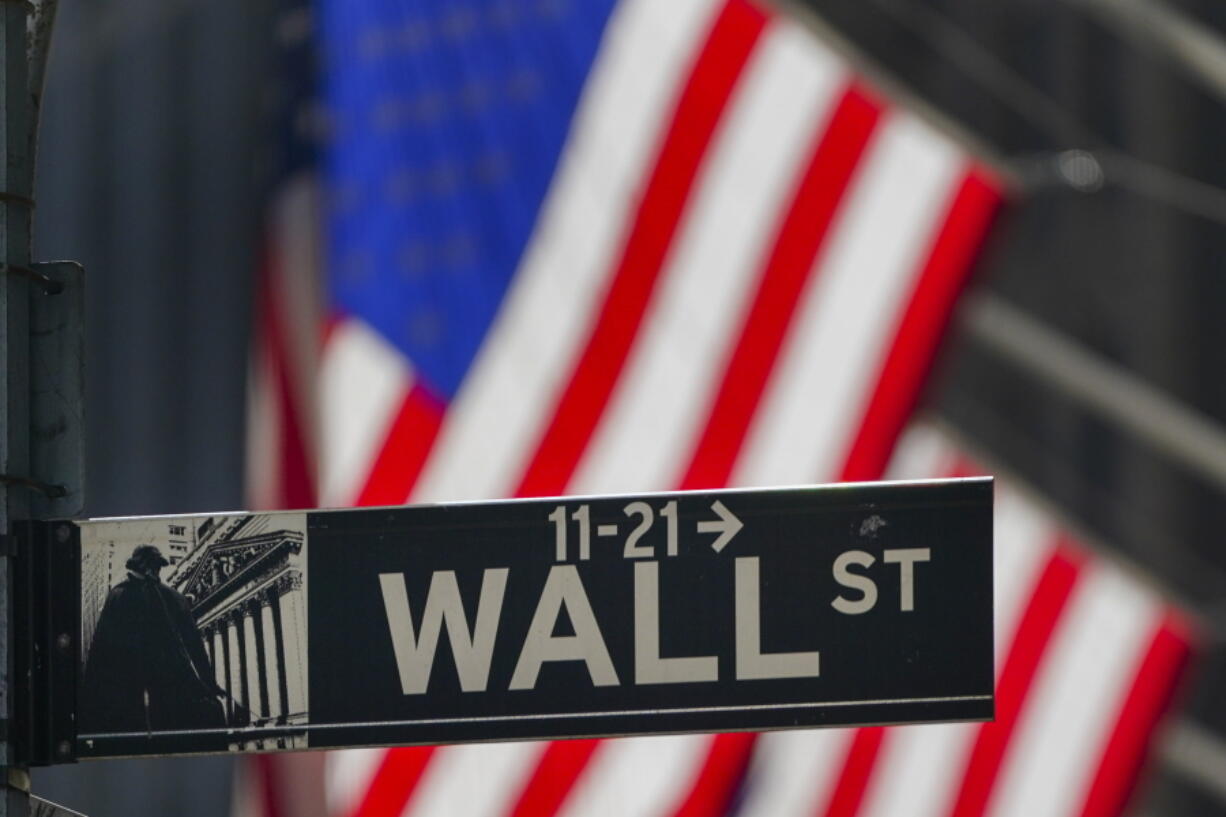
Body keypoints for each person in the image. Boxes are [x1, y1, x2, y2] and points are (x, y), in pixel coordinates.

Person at [81, 544, 227, 735]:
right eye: (154, 567)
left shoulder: (157, 596)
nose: (156, 572)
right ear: (144, 567)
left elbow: (194, 644)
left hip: (158, 685)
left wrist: (209, 682)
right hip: (140, 686)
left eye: (157, 568)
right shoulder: (126, 595)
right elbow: (101, 648)